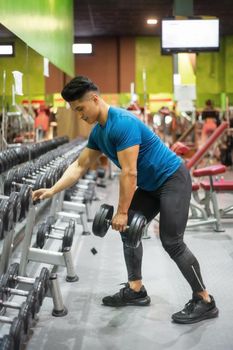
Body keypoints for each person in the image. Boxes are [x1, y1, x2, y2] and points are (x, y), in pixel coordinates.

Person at [32, 76, 219, 324]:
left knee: (171, 241)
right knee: (128, 230)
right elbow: (79, 166)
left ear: (95, 99)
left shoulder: (122, 123)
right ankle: (136, 290)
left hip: (172, 179)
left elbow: (129, 174)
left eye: (80, 109)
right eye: (75, 111)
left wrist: (121, 212)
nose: (80, 115)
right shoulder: (99, 132)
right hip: (151, 185)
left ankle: (204, 300)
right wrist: (52, 190)